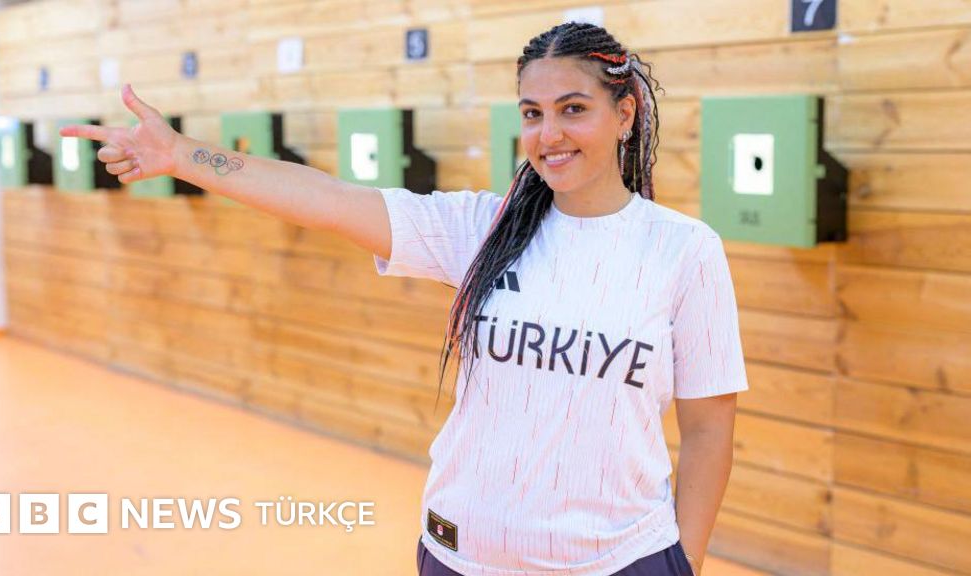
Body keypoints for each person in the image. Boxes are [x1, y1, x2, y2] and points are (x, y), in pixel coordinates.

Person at [61, 21, 747, 576]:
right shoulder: (482, 228)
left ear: (624, 114)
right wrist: (183, 156)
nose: (549, 135)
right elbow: (329, 200)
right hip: (464, 555)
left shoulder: (684, 251)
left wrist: (682, 562)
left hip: (618, 562)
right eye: (532, 114)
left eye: (574, 109)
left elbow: (710, 428)